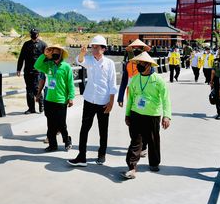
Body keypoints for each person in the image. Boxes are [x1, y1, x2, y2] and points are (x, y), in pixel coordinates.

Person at [67, 35, 117, 167]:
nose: (94, 49)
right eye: (93, 47)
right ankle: (81, 156)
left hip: (103, 101)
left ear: (103, 49)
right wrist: (82, 53)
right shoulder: (89, 60)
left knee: (103, 130)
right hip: (89, 100)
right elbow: (79, 61)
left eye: (97, 47)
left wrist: (111, 102)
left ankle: (102, 154)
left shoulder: (109, 63)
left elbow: (112, 84)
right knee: (84, 128)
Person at [121, 52, 171, 179]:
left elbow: (166, 99)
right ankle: (132, 167)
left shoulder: (158, 80)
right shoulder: (135, 79)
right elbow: (131, 98)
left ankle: (154, 163)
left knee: (153, 140)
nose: (139, 65)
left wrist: (166, 116)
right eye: (138, 63)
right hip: (135, 114)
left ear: (149, 65)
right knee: (135, 141)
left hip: (152, 115)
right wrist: (127, 114)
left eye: (142, 63)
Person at [34, 45, 75, 152]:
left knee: (61, 124)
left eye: (57, 52)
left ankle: (67, 140)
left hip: (61, 100)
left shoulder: (66, 67)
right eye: (53, 52)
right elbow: (37, 65)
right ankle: (53, 145)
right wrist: (44, 55)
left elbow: (70, 83)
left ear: (61, 54)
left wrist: (71, 97)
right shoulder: (49, 66)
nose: (55, 54)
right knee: (50, 124)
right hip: (49, 100)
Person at [117, 39, 151, 157]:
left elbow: (152, 79)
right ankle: (137, 143)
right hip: (131, 96)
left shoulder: (148, 64)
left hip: (145, 97)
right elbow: (124, 81)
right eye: (134, 52)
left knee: (144, 122)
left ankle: (144, 146)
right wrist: (120, 97)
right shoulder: (128, 65)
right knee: (133, 122)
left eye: (139, 52)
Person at [17, 28, 48, 114]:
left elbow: (47, 58)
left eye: (35, 34)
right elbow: (21, 57)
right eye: (32, 34)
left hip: (38, 71)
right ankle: (31, 108)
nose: (33, 35)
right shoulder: (26, 44)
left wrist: (46, 69)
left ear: (38, 34)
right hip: (27, 70)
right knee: (29, 90)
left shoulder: (43, 45)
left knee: (37, 89)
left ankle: (41, 105)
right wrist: (19, 69)